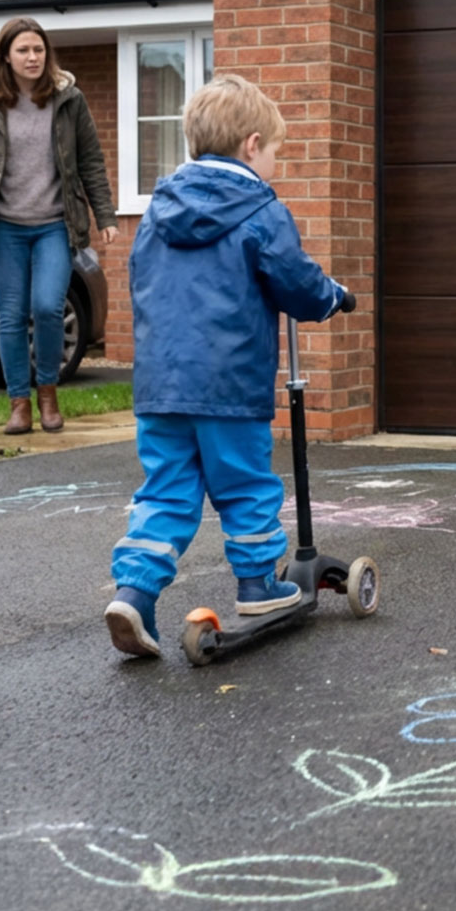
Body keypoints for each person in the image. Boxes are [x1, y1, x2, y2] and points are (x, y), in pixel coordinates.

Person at [103, 73, 354, 659]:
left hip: (161, 385)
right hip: (229, 384)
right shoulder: (260, 210)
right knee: (244, 485)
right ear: (251, 144)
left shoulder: (159, 212)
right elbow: (294, 281)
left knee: (166, 491)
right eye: (275, 153)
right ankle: (258, 582)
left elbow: (141, 285)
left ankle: (134, 593)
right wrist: (332, 297)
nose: (275, 166)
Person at [0, 17, 118, 435]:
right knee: (12, 315)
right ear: (6, 55)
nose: (32, 57)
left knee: (48, 307)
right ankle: (19, 403)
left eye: (38, 50)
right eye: (23, 50)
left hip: (54, 225)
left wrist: (105, 215)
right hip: (3, 227)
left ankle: (49, 393)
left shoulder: (68, 100)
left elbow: (90, 161)